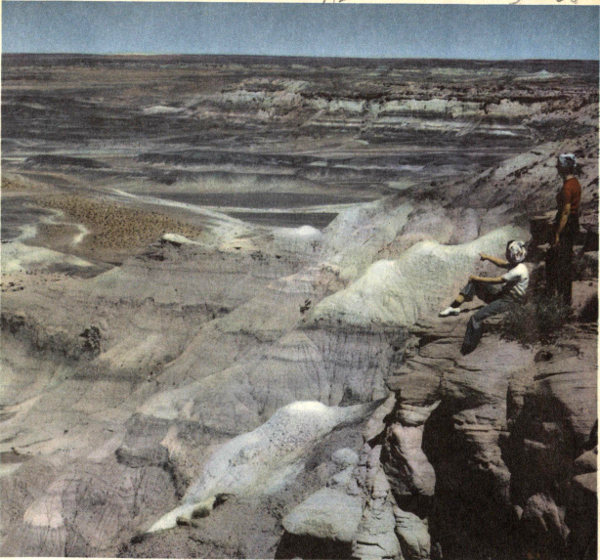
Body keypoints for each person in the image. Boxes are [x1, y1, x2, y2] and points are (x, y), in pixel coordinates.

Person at [439, 240, 529, 354]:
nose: (506, 253)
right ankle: (454, 307)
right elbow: (501, 263)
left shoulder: (518, 270)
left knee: (476, 318)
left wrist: (476, 278)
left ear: (512, 253)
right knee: (475, 283)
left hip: (510, 301)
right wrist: (487, 257)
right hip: (504, 296)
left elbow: (497, 280)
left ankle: (468, 349)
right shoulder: (516, 265)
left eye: (507, 251)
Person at [546, 153, 581, 306]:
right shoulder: (575, 183)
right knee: (565, 262)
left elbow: (565, 212)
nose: (557, 168)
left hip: (566, 226)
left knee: (561, 263)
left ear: (564, 168)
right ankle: (565, 299)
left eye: (559, 166)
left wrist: (557, 233)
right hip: (573, 224)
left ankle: (563, 301)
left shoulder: (567, 187)